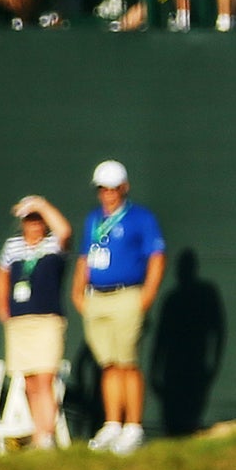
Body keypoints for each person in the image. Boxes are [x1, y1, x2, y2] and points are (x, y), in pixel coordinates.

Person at [71, 161, 167, 454]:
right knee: (109, 363)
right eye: (102, 189)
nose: (108, 194)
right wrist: (77, 291)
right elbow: (85, 256)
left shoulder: (140, 218)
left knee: (127, 362)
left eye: (113, 188)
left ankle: (133, 427)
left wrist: (147, 295)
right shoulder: (93, 220)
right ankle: (113, 423)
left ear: (124, 188)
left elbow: (156, 256)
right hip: (96, 297)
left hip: (127, 295)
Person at [0, 197, 73, 448]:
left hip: (47, 321)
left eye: (38, 220)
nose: (34, 225)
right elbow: (1, 276)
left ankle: (47, 436)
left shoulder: (53, 245)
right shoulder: (12, 246)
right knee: (29, 381)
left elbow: (65, 231)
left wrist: (40, 204)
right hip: (20, 322)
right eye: (29, 220)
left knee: (44, 378)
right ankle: (38, 434)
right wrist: (2, 308)